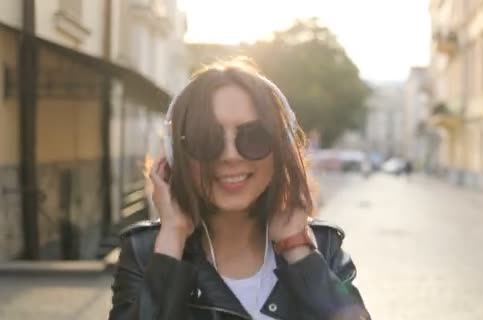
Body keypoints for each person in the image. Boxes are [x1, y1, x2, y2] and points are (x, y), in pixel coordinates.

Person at [108, 59, 370, 320]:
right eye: (206, 138)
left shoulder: (323, 246)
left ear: (283, 149)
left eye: (253, 137)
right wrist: (172, 241)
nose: (230, 156)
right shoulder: (146, 251)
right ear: (176, 155)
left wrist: (298, 250)